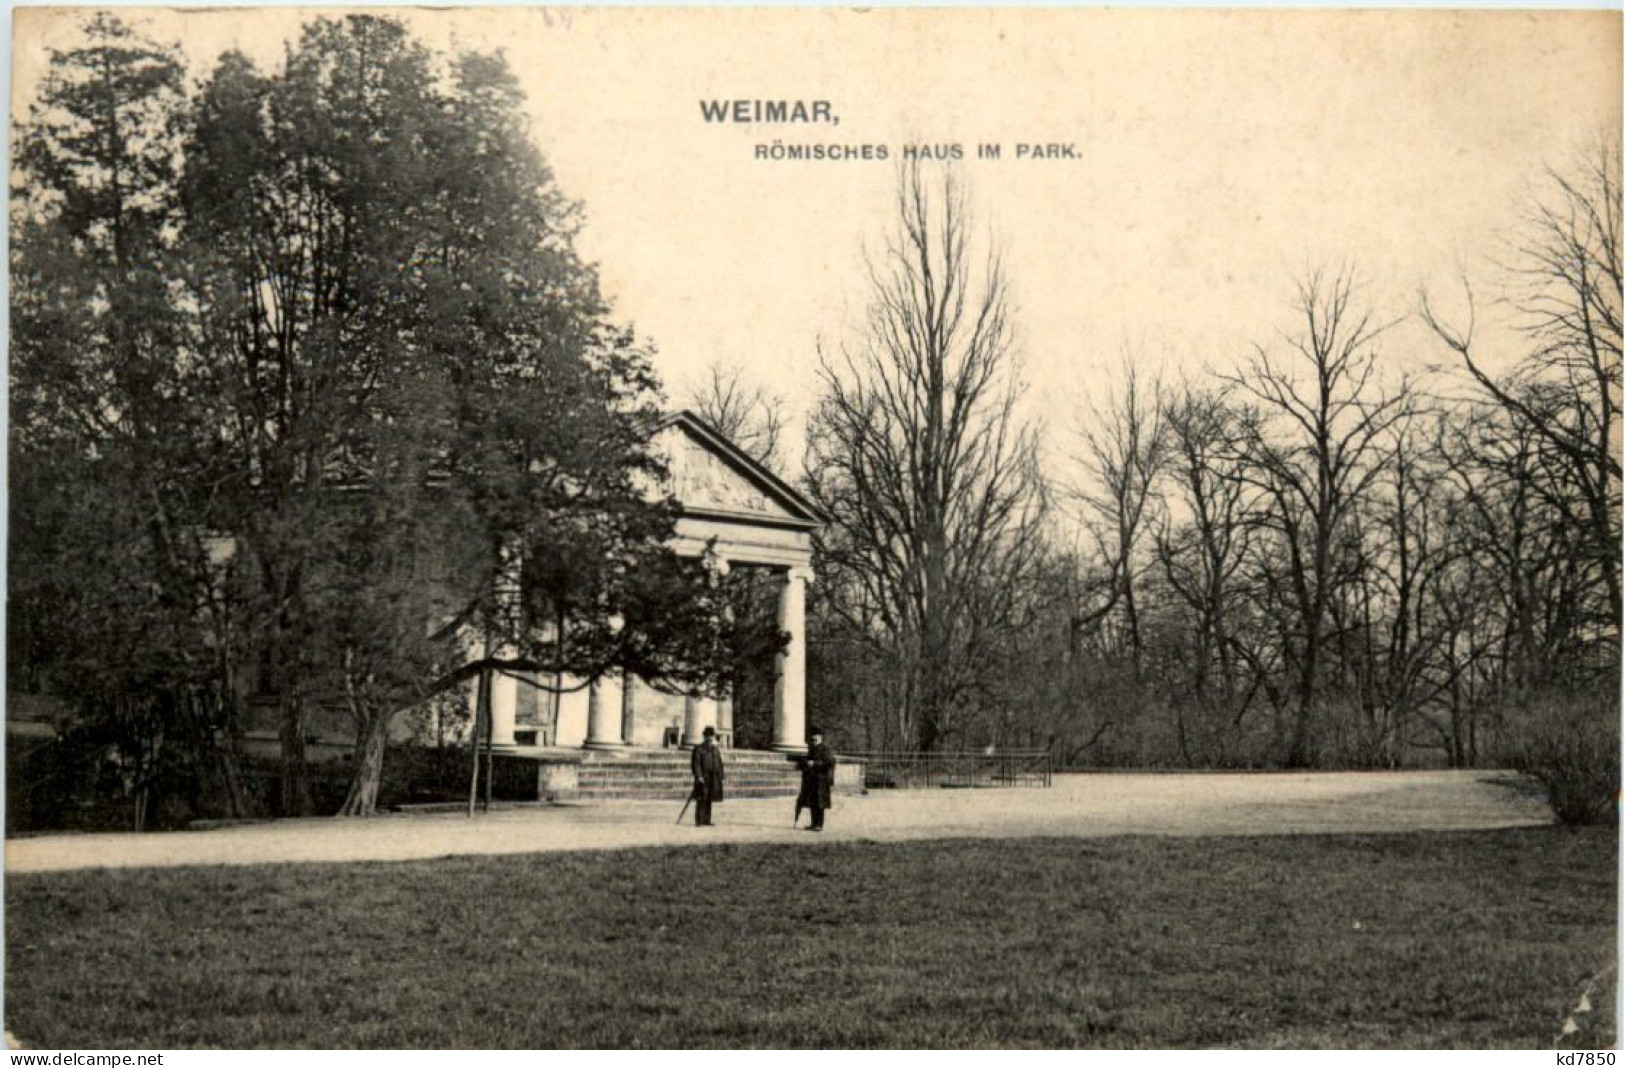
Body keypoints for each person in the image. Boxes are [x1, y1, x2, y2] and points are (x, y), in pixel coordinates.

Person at [796, 726, 836, 831]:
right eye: (813, 737)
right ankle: (813, 823)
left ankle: (819, 825)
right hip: (812, 780)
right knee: (813, 802)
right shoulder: (812, 749)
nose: (814, 738)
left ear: (821, 737)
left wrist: (815, 763)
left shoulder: (825, 749)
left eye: (816, 736)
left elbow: (830, 762)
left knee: (820, 803)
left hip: (822, 780)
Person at [690, 725, 725, 826]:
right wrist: (699, 776)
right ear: (704, 737)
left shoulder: (715, 749)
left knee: (709, 798)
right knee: (702, 798)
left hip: (713, 778)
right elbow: (696, 764)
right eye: (708, 737)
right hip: (703, 777)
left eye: (711, 737)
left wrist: (721, 776)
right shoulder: (698, 749)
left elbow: (719, 763)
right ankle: (699, 820)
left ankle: (707, 820)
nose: (710, 740)